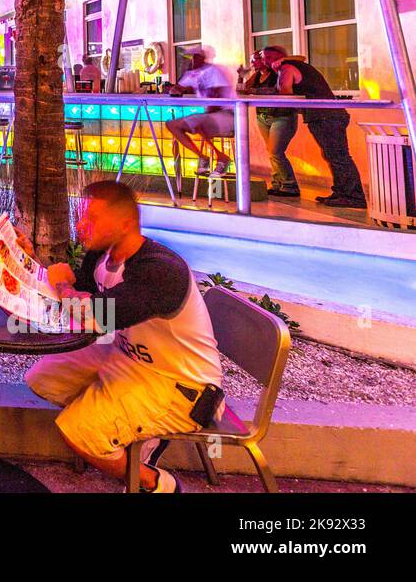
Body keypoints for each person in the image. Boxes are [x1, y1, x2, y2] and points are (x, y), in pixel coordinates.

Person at [23, 181, 223, 493]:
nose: (80, 225)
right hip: (127, 356)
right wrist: (30, 263)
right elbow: (81, 298)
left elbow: (97, 315)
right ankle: (118, 428)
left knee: (74, 432)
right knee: (42, 379)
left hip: (181, 384)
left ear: (125, 223)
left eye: (91, 219)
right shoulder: (101, 255)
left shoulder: (160, 270)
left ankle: (154, 481)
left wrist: (62, 288)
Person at [260, 45, 365, 208]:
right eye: (264, 58)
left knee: (338, 156)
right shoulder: (301, 66)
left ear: (281, 57)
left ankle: (354, 196)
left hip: (324, 115)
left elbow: (284, 93)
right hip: (329, 114)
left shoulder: (286, 68)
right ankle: (342, 192)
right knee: (332, 155)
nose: (266, 62)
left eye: (269, 58)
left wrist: (274, 83)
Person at [164, 49, 235, 176]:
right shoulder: (192, 74)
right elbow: (179, 87)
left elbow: (217, 97)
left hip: (227, 115)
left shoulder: (213, 71)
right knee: (172, 125)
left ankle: (221, 158)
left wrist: (205, 113)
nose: (192, 59)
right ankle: (203, 157)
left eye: (195, 56)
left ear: (203, 58)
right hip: (210, 116)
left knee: (197, 122)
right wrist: (175, 88)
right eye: (190, 57)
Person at [242, 48, 301, 198]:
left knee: (276, 151)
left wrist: (282, 60)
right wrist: (240, 77)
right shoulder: (256, 76)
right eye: (253, 59)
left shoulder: (278, 71)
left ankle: (290, 185)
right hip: (263, 115)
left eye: (256, 59)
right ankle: (277, 184)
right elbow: (243, 90)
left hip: (282, 115)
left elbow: (300, 59)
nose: (253, 62)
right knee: (271, 152)